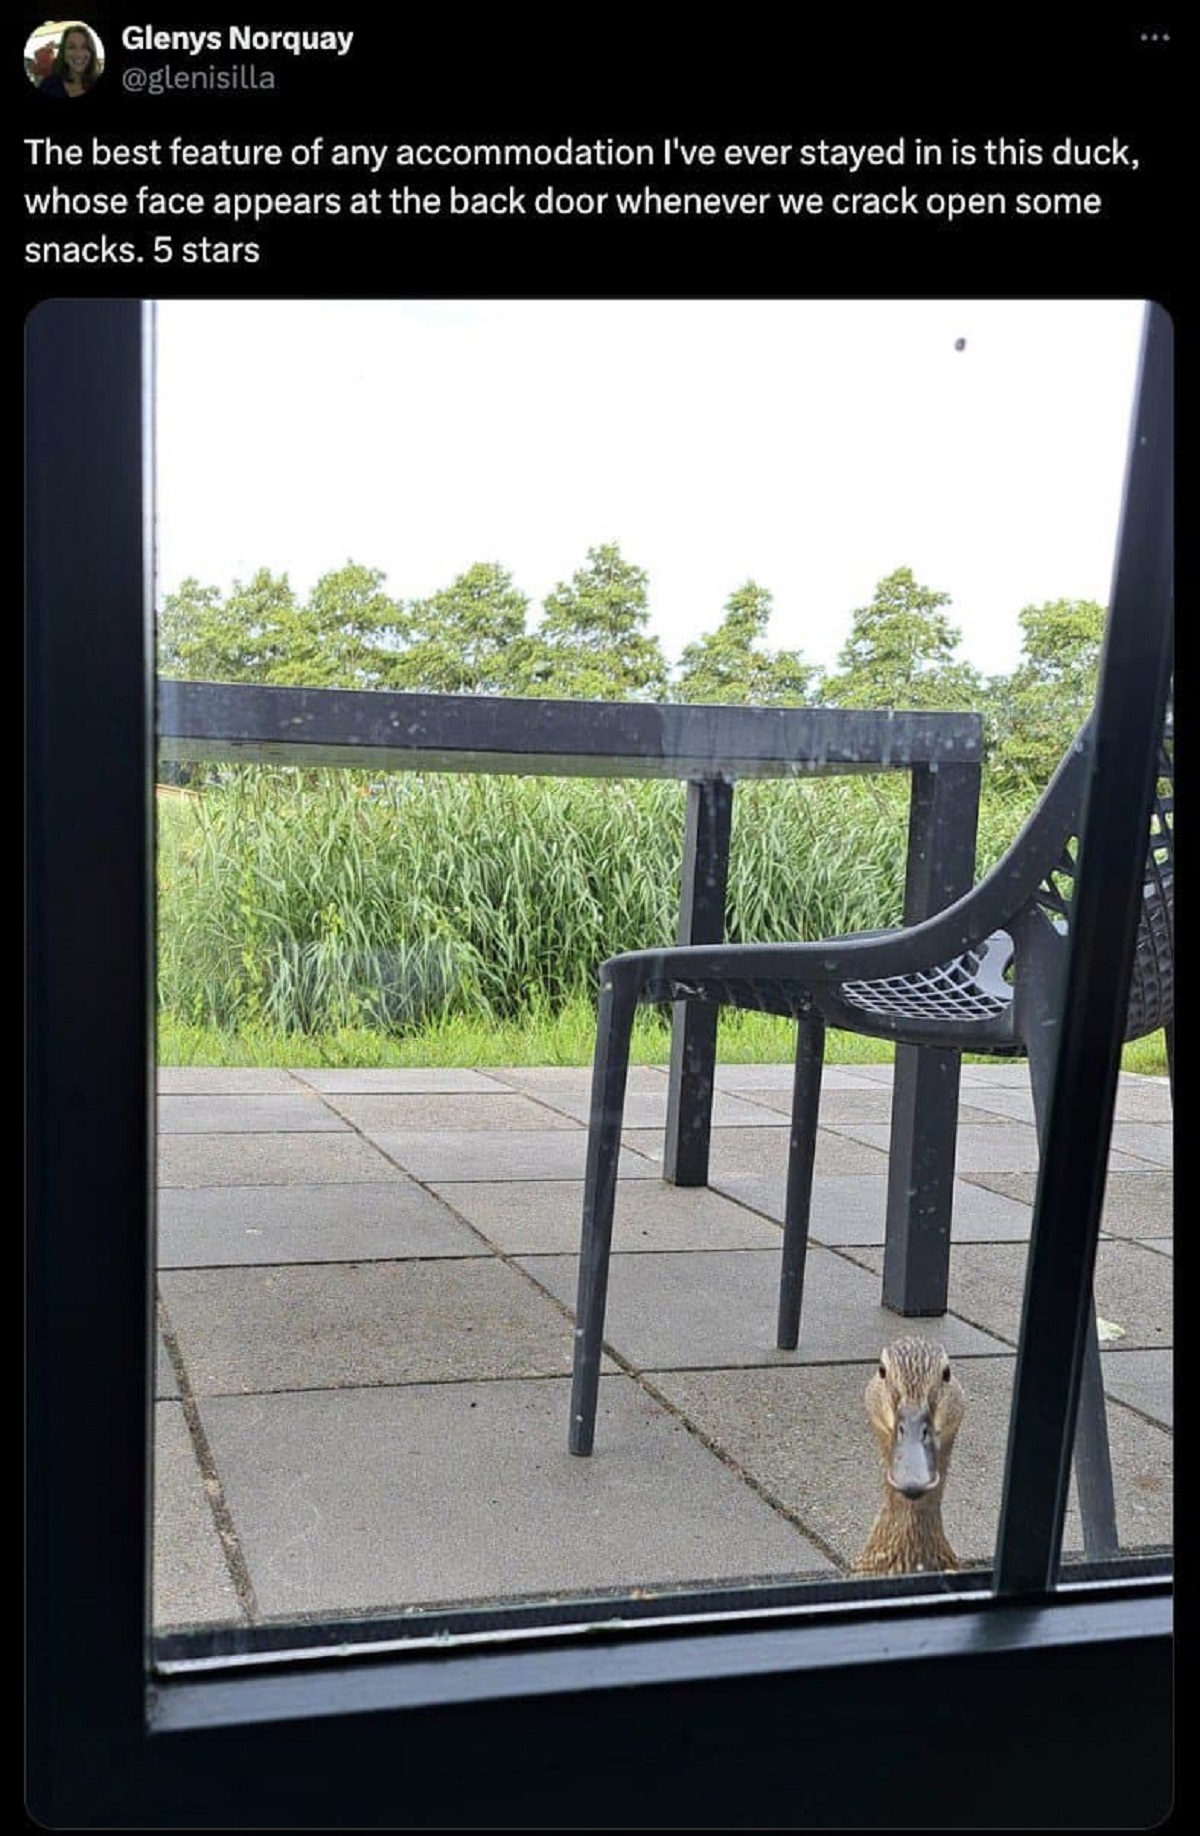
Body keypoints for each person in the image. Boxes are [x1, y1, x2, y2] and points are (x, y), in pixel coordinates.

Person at [36, 24, 102, 96]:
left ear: (91, 52)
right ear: (63, 54)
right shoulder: (49, 85)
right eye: (71, 47)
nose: (79, 54)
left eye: (84, 47)